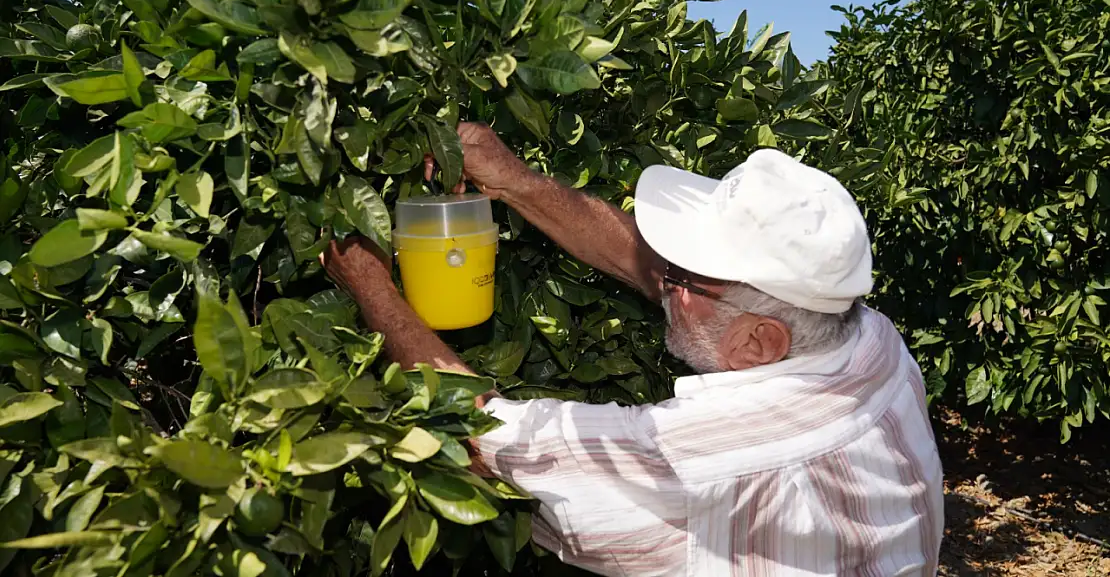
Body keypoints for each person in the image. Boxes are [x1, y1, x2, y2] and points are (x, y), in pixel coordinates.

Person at [319, 122, 945, 577]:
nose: (661, 280)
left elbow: (484, 435)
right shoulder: (867, 338)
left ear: (758, 340)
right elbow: (641, 262)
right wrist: (513, 182)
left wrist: (369, 282)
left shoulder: (711, 453)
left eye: (683, 278)